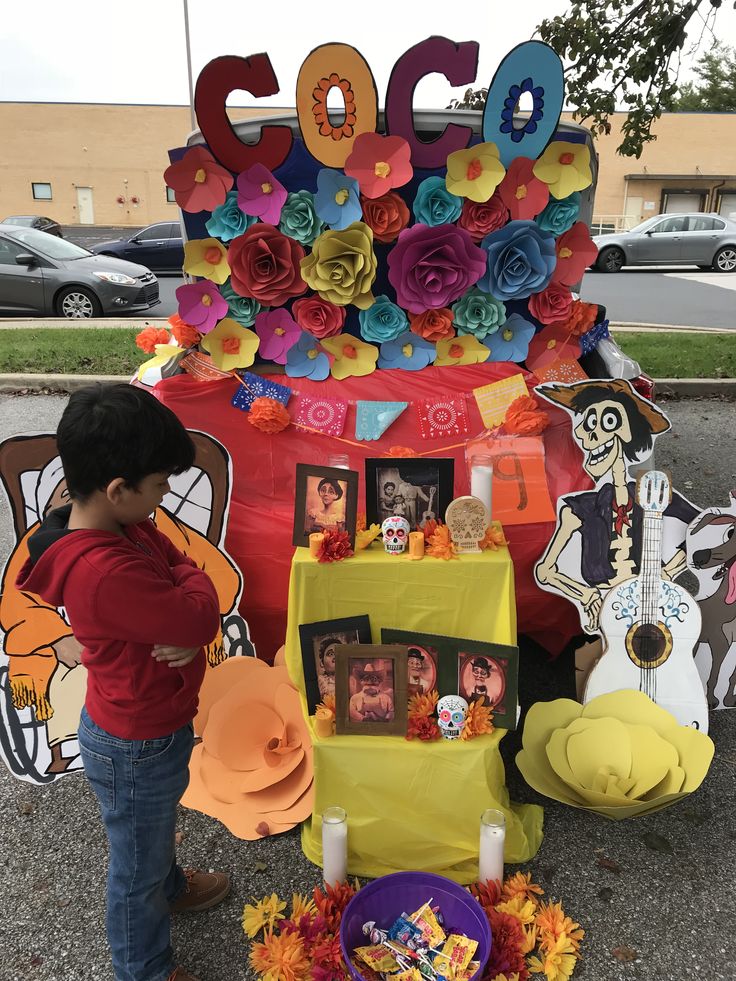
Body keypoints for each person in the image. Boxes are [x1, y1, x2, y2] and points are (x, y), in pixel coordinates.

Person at [15, 383, 230, 981]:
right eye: (160, 484)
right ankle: (144, 968)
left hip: (142, 723)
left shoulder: (122, 525)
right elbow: (198, 609)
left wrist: (187, 592)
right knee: (134, 869)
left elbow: (183, 566)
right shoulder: (104, 569)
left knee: (148, 835)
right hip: (139, 741)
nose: (164, 498)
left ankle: (173, 884)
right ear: (117, 489)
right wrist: (192, 603)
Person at [316, 635, 339, 699]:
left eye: (339, 652)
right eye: (330, 654)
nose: (335, 656)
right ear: (322, 663)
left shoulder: (355, 679)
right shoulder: (320, 684)